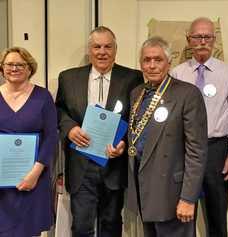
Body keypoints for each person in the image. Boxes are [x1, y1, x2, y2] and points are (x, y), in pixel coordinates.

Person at [55, 26, 143, 237]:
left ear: (115, 49)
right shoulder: (68, 78)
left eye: (107, 46)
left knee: (111, 223)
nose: (102, 51)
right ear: (90, 50)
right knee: (82, 226)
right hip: (81, 164)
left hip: (114, 163)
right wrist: (70, 128)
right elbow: (59, 109)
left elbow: (137, 117)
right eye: (97, 46)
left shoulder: (133, 78)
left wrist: (124, 143)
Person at [122, 36, 207, 237]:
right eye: (146, 60)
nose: (151, 65)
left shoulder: (187, 94)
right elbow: (139, 136)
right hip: (144, 190)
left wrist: (188, 198)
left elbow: (197, 152)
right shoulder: (137, 93)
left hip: (172, 193)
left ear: (169, 63)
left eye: (158, 60)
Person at [171, 17, 228, 237]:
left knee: (217, 214)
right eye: (197, 36)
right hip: (184, 150)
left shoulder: (227, 72)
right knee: (183, 214)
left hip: (217, 150)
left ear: (214, 39)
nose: (202, 41)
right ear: (188, 39)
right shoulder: (177, 73)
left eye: (207, 37)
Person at [0, 47, 57, 236]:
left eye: (20, 64)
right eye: (9, 64)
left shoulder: (43, 97)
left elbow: (51, 137)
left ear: (29, 68)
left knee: (29, 230)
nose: (14, 68)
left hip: (34, 177)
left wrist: (35, 172)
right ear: (2, 68)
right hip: (2, 180)